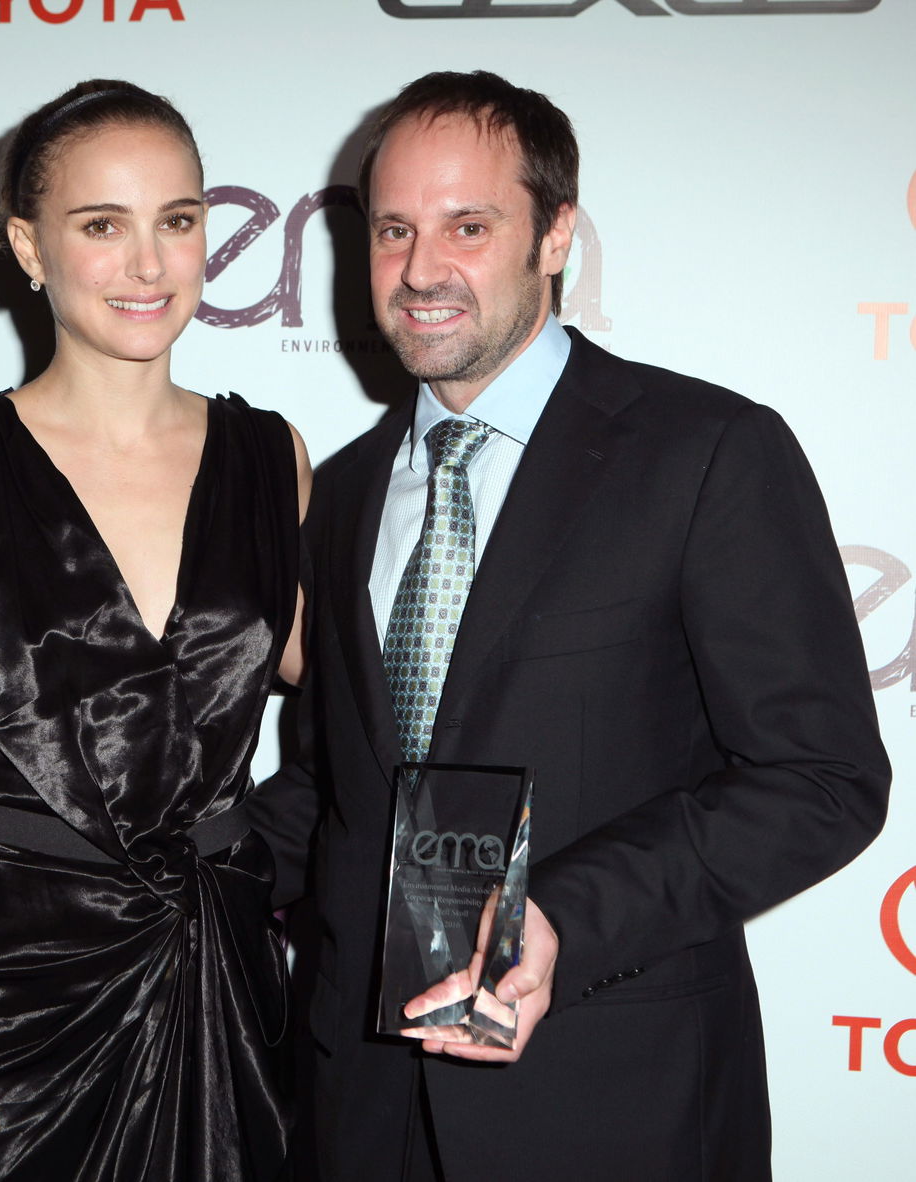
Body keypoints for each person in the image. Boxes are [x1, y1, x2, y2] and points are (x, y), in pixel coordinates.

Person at [249, 70, 890, 1180]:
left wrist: (559, 918)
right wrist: (144, 883)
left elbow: (821, 778)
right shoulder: (342, 492)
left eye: (468, 226)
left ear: (554, 235)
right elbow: (336, 788)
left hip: (613, 1103)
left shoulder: (705, 454)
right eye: (393, 230)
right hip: (362, 1111)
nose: (421, 270)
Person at [0, 79, 310, 1182]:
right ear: (28, 247)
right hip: (16, 1000)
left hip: (224, 973)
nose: (148, 265)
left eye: (177, 220)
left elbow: (348, 697)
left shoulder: (273, 459)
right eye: (102, 226)